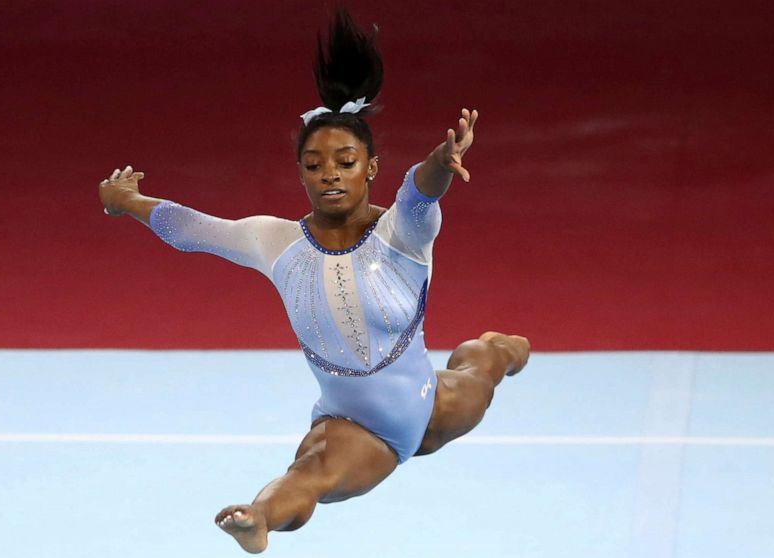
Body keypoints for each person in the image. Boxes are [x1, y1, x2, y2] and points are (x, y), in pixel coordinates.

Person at [97, 8, 529, 554]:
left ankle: (499, 350)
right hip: (356, 424)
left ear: (369, 167)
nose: (329, 172)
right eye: (314, 163)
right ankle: (257, 517)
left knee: (483, 369)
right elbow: (194, 230)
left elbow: (421, 190)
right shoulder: (276, 241)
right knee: (311, 472)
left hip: (432, 402)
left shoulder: (402, 234)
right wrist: (128, 200)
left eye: (345, 161)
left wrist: (443, 160)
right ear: (300, 171)